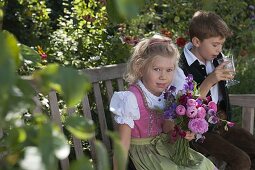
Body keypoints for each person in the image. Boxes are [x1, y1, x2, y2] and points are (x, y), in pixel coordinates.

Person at [109, 34, 217, 170]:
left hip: (164, 149)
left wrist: (182, 134)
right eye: (157, 69)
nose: (163, 76)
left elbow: (168, 130)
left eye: (169, 70)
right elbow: (122, 144)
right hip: (142, 155)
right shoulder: (131, 98)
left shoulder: (168, 96)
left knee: (202, 165)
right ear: (140, 68)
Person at [176, 10, 255, 170]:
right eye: (215, 44)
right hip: (198, 131)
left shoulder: (214, 57)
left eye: (221, 44)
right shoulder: (181, 67)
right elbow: (185, 110)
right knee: (241, 161)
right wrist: (211, 79)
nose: (219, 49)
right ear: (197, 42)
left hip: (220, 122)